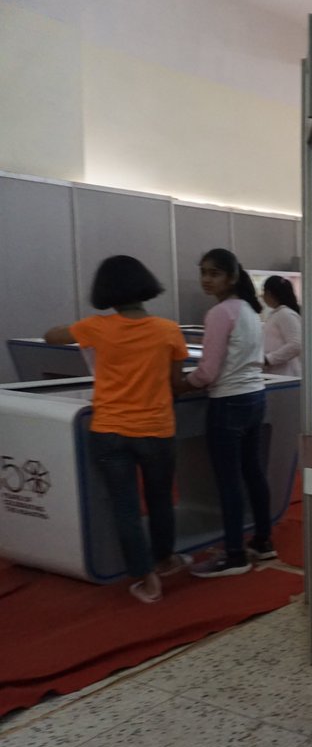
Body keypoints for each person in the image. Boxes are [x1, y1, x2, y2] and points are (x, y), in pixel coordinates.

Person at [44, 256, 190, 603]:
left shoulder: (97, 327)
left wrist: (78, 327)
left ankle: (147, 578)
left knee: (125, 505)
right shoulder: (169, 330)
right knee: (160, 501)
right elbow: (175, 384)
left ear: (106, 290)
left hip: (109, 431)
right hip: (156, 429)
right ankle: (166, 558)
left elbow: (51, 337)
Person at [177, 248, 274, 576]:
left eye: (214, 273)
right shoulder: (249, 310)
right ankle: (263, 541)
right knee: (252, 472)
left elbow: (207, 373)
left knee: (229, 480)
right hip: (254, 397)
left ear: (231, 277)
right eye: (203, 272)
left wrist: (179, 385)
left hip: (228, 402)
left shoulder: (220, 313)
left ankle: (234, 554)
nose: (206, 279)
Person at [261, 275, 302, 377]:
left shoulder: (285, 314)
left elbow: (296, 344)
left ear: (269, 293)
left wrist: (269, 359)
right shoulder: (277, 314)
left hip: (286, 374)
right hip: (277, 373)